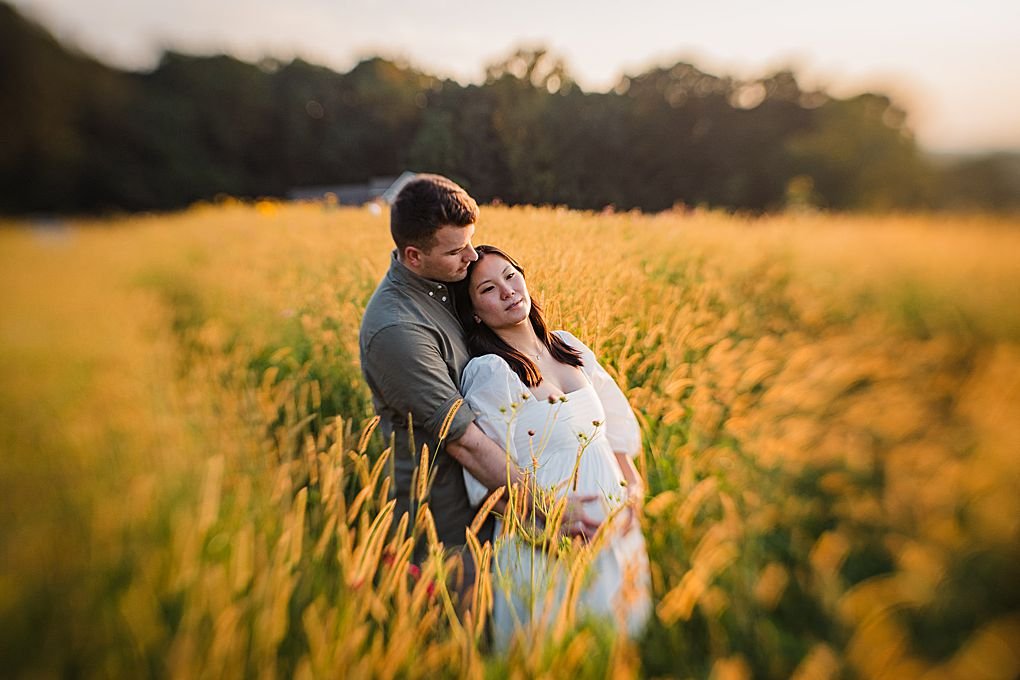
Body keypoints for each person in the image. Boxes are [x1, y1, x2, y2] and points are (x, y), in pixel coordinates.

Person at [359, 175, 601, 598]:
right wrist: (548, 509)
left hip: (504, 501)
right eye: (456, 250)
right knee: (472, 637)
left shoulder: (447, 279)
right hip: (449, 522)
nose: (471, 256)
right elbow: (464, 441)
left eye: (470, 241)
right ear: (413, 256)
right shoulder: (398, 330)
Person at [454, 244, 652, 646]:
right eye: (489, 289)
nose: (508, 291)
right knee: (558, 652)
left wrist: (633, 492)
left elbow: (614, 430)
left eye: (511, 276)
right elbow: (487, 482)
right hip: (548, 548)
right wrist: (550, 540)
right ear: (475, 313)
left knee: (619, 650)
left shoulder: (568, 346)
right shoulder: (491, 372)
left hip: (616, 533)